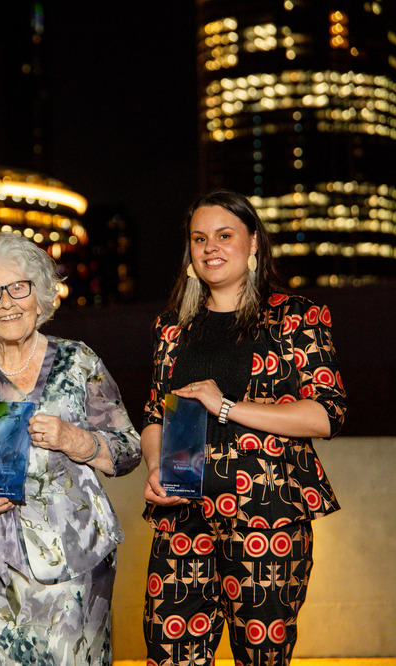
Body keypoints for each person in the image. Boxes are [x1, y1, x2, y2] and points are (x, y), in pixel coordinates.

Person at [141, 191, 346, 665]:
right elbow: (156, 415)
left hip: (265, 514)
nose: (210, 247)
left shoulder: (295, 316)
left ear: (253, 243)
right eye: (199, 238)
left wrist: (226, 405)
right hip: (182, 511)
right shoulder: (172, 327)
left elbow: (326, 414)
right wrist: (155, 466)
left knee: (261, 657)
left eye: (225, 235)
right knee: (169, 652)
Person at [0, 233, 142, 666]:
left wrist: (76, 440)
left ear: (39, 296)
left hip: (70, 566)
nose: (6, 302)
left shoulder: (79, 362)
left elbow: (128, 449)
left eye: (18, 287)